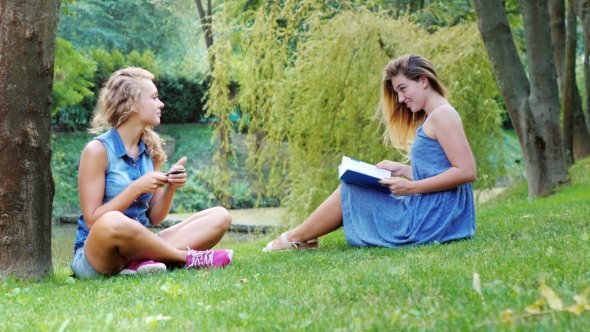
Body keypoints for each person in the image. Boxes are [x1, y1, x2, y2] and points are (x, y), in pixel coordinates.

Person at [263, 54, 476, 251]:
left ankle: (294, 238)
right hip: (432, 212)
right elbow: (440, 170)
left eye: (403, 89)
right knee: (357, 185)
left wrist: (412, 188)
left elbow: (466, 171)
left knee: (351, 187)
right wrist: (402, 169)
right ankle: (300, 238)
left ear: (423, 81)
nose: (400, 99)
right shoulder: (436, 116)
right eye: (397, 92)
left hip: (430, 219)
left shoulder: (442, 114)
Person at [70, 67, 234, 279]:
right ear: (132, 104)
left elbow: (155, 218)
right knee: (112, 220)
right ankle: (188, 259)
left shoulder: (151, 148)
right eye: (154, 97)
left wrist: (170, 187)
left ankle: (142, 262)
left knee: (220, 216)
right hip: (97, 256)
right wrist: (136, 188)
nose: (161, 104)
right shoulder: (97, 151)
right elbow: (93, 221)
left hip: (138, 246)